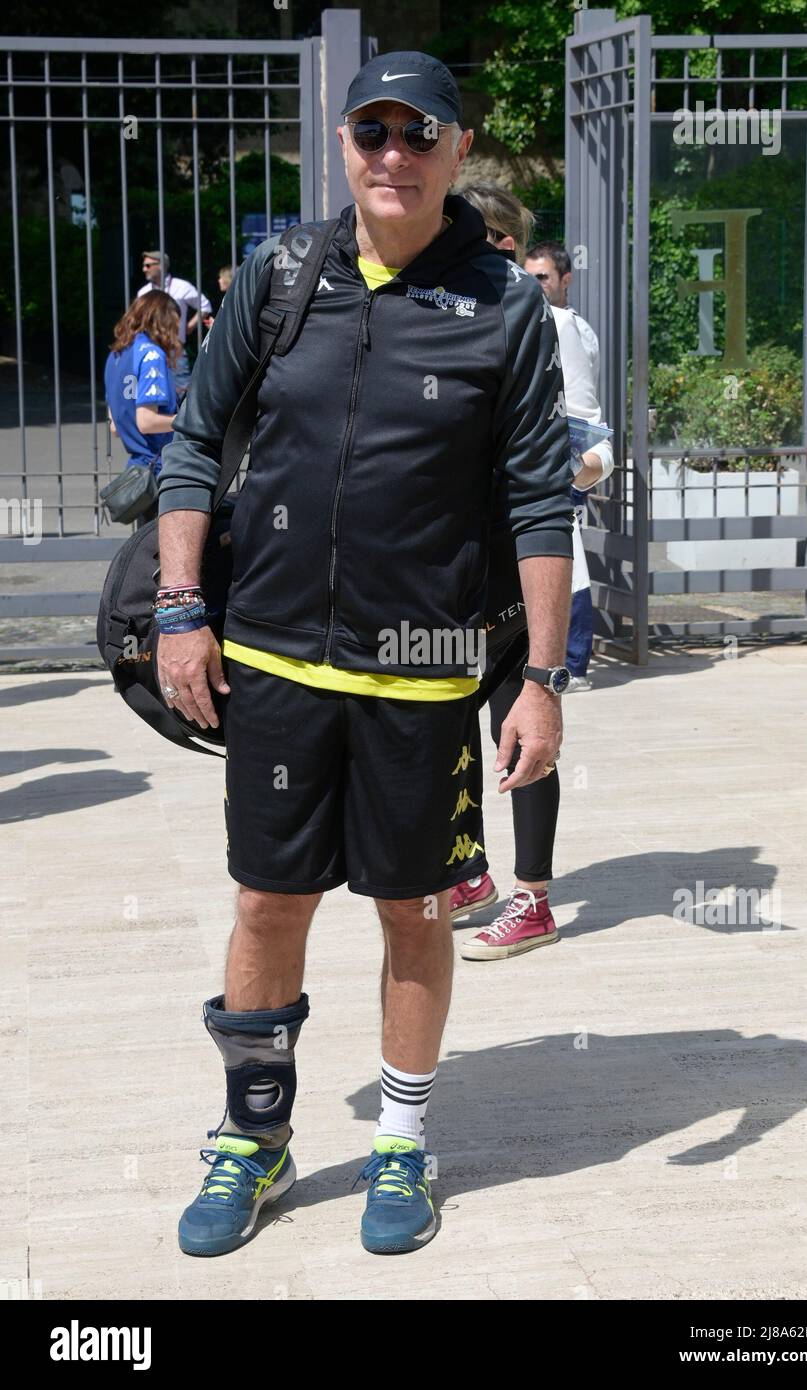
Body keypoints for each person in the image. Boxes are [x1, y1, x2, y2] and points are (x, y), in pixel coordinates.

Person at [154, 49, 574, 1258]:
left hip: (428, 670)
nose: (393, 154)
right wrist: (183, 609)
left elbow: (542, 499)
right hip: (275, 659)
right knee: (268, 898)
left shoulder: (501, 304)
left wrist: (541, 681)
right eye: (370, 132)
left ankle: (402, 1138)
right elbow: (193, 442)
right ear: (344, 144)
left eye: (417, 133)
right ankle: (253, 1134)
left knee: (412, 908)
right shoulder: (284, 273)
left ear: (455, 148)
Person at [451, 192, 614, 960]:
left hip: (523, 560)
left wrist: (544, 479)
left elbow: (596, 451)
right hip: (446, 563)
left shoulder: (552, 326)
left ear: (506, 243)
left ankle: (534, 898)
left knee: (519, 723)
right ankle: (470, 873)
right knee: (442, 718)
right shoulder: (433, 313)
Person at [525, 241, 615, 689]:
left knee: (566, 555)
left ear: (565, 279)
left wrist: (581, 462)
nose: (535, 285)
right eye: (530, 276)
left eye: (542, 277)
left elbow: (584, 409)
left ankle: (574, 661)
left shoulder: (571, 328)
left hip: (562, 457)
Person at [104, 291, 180, 525]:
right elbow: (146, 421)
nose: (178, 332)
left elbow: (114, 425)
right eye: (175, 323)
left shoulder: (117, 355)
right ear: (163, 319)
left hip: (139, 471)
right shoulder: (151, 355)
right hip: (161, 468)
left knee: (145, 551)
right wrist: (186, 418)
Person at [137, 250, 212, 395]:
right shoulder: (143, 292)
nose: (144, 269)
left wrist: (188, 327)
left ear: (160, 266)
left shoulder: (181, 286)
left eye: (148, 265)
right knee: (153, 393)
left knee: (182, 394)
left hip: (174, 350)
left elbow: (205, 305)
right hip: (150, 349)